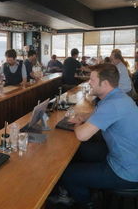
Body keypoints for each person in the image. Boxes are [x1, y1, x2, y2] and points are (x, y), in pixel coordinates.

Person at [56, 63, 138, 209]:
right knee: (82, 150)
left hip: (127, 171)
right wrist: (83, 117)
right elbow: (98, 114)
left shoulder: (112, 104)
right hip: (128, 157)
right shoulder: (118, 97)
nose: (89, 82)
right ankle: (88, 185)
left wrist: (77, 124)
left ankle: (87, 203)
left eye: (92, 80)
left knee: (68, 174)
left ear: (105, 84)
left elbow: (82, 135)